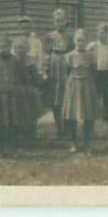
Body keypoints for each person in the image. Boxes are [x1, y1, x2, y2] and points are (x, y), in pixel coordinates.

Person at [62, 29, 100, 153]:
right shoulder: (69, 56)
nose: (80, 42)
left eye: (83, 40)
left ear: (86, 41)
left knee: (88, 114)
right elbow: (67, 71)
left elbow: (94, 71)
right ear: (74, 41)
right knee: (72, 115)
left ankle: (87, 142)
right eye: (78, 40)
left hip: (88, 85)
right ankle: (74, 142)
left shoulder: (91, 55)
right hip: (74, 85)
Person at [44, 8, 74, 140]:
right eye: (57, 21)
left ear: (65, 21)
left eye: (62, 21)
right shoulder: (50, 36)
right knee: (56, 100)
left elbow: (73, 53)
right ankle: (59, 129)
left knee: (66, 99)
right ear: (54, 22)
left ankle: (67, 129)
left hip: (65, 64)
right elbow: (45, 54)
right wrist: (46, 70)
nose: (59, 23)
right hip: (54, 65)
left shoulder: (69, 36)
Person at [88, 23, 108, 138]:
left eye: (105, 32)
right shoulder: (92, 46)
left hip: (107, 75)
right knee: (93, 101)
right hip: (96, 75)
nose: (102, 35)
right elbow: (86, 57)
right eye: (100, 32)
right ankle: (90, 129)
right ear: (97, 33)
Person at [13, 37, 43, 147]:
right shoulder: (13, 60)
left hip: (29, 90)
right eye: (16, 47)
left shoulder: (30, 61)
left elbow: (35, 78)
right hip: (16, 90)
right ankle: (19, 136)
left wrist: (36, 86)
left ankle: (31, 137)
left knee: (31, 113)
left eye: (21, 47)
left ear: (26, 48)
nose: (19, 50)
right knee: (18, 113)